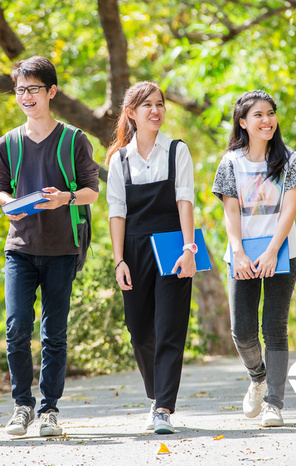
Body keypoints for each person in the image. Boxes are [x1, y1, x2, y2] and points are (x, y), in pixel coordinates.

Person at [0, 56, 99, 437]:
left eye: (33, 89)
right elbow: (1, 188)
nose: (25, 96)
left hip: (62, 248)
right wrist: (8, 203)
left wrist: (64, 199)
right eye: (20, 90)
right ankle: (22, 406)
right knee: (17, 326)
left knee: (55, 332)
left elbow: (91, 192)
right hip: (20, 247)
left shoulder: (74, 140)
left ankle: (49, 410)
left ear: (51, 91)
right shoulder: (7, 143)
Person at [212, 90, 296, 427]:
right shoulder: (230, 162)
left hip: (280, 253)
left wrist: (271, 252)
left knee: (275, 329)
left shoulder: (290, 159)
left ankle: (274, 403)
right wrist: (237, 252)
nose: (266, 120)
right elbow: (231, 210)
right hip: (241, 255)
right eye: (258, 115)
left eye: (270, 113)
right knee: (242, 331)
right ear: (243, 122)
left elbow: (289, 210)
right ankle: (258, 377)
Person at [106, 81, 197, 434]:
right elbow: (116, 212)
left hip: (173, 244)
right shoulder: (120, 159)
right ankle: (154, 394)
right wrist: (119, 260)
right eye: (147, 105)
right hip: (134, 249)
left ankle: (162, 407)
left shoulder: (177, 151)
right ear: (131, 113)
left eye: (160, 104)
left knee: (170, 327)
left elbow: (185, 202)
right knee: (139, 330)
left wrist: (189, 249)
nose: (156, 110)